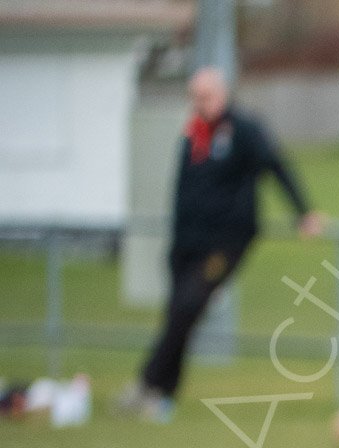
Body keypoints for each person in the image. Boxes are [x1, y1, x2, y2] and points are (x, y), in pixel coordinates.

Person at [118, 67, 324, 423]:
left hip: (225, 242)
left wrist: (303, 213)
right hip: (186, 242)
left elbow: (276, 166)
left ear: (222, 93)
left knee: (186, 307)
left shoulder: (244, 129)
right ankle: (162, 395)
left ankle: (147, 383)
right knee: (178, 316)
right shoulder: (193, 133)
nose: (201, 103)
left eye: (207, 96)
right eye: (195, 97)